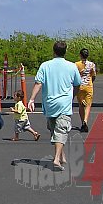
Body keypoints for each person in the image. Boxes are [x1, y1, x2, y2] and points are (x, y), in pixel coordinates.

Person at [27, 41, 82, 171]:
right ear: (65, 52)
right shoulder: (72, 66)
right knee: (59, 131)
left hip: (50, 104)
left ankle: (59, 157)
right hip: (64, 104)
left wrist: (31, 99)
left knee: (56, 130)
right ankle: (58, 158)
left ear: (54, 51)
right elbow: (77, 84)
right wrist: (72, 96)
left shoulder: (45, 66)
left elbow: (38, 83)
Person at [75, 48, 97, 132]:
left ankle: (82, 122)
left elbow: (74, 75)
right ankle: (85, 121)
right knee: (88, 105)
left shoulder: (76, 64)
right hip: (88, 86)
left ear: (80, 55)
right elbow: (94, 75)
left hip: (80, 86)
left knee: (81, 105)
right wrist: (91, 81)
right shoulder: (92, 64)